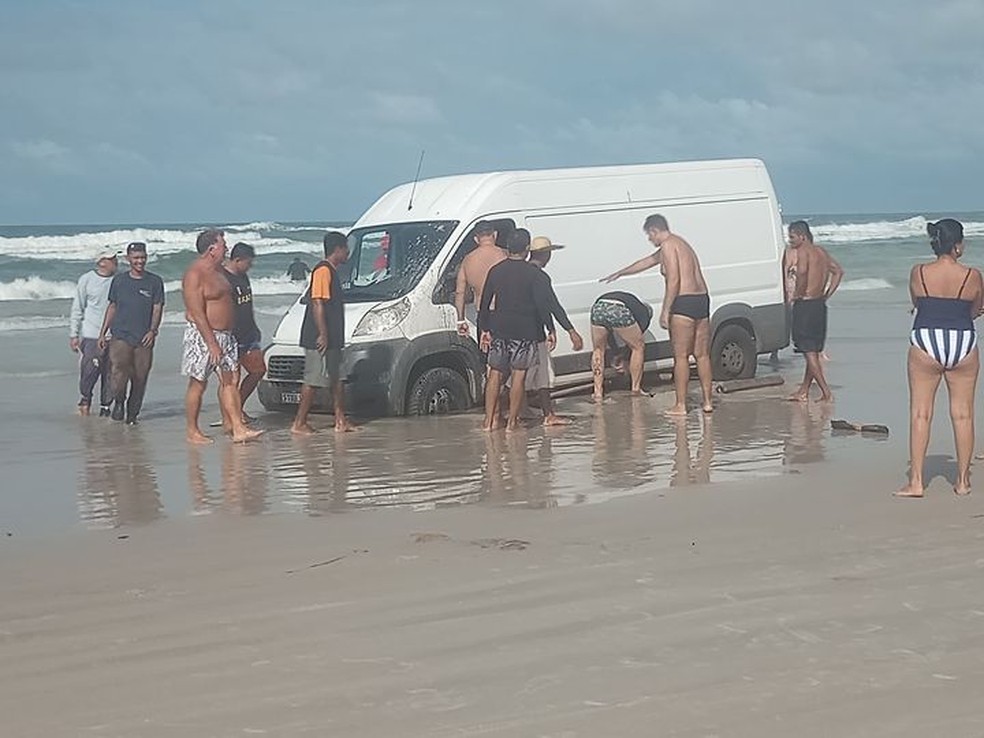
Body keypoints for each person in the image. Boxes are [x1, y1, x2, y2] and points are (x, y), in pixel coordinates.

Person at [898, 219, 982, 498]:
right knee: (963, 414)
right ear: (958, 246)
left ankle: (917, 482)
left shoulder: (918, 272)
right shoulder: (972, 275)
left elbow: (917, 304)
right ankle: (962, 482)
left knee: (921, 413)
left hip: (926, 342)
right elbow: (976, 309)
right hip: (962, 341)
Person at [181, 229, 262, 445]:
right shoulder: (195, 274)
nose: (226, 247)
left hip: (227, 336)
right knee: (198, 383)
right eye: (223, 244)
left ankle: (237, 428)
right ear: (211, 249)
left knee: (230, 381)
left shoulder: (221, 272)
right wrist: (212, 343)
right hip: (204, 336)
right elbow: (196, 312)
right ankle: (192, 430)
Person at [478, 228, 556, 431]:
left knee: (495, 373)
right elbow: (542, 304)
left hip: (499, 329)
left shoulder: (496, 271)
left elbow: (485, 303)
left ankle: (488, 422)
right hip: (525, 331)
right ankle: (512, 423)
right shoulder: (534, 274)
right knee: (518, 375)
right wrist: (551, 328)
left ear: (508, 248)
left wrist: (484, 329)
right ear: (527, 249)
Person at [647, 214, 714, 416]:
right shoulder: (682, 243)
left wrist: (665, 310)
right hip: (701, 299)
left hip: (683, 301)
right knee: (702, 355)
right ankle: (708, 402)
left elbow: (674, 279)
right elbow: (647, 261)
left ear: (654, 231)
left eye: (649, 236)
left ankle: (681, 405)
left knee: (681, 356)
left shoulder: (667, 246)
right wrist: (621, 273)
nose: (650, 240)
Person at [292, 231, 354, 435]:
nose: (348, 252)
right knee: (313, 379)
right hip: (319, 337)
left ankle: (340, 419)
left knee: (337, 378)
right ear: (337, 249)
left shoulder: (333, 271)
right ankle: (299, 423)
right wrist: (323, 334)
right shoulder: (323, 270)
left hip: (333, 336)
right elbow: (317, 302)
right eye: (346, 248)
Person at [98, 242, 164, 425]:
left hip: (144, 337)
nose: (140, 261)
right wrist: (103, 332)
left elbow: (157, 308)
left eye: (142, 257)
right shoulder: (119, 281)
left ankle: (132, 414)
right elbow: (112, 306)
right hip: (120, 335)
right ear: (128, 259)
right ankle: (119, 401)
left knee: (140, 376)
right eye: (135, 258)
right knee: (119, 372)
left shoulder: (155, 281)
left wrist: (153, 330)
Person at [521, 235, 583, 425]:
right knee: (543, 373)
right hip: (534, 331)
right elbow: (549, 304)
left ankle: (517, 410)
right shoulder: (540, 276)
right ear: (546, 255)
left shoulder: (519, 272)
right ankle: (548, 415)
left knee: (519, 373)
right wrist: (559, 329)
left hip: (514, 330)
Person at [784, 220, 844, 403]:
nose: (790, 241)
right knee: (814, 351)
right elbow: (838, 272)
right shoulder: (821, 252)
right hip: (819, 305)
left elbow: (802, 273)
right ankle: (804, 390)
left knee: (808, 351)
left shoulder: (803, 252)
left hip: (806, 305)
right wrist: (826, 294)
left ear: (802, 236)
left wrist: (797, 294)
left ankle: (826, 393)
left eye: (792, 237)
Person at [70, 251, 117, 416]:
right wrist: (74, 334)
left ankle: (106, 407)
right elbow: (78, 307)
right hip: (91, 335)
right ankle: (85, 400)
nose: (116, 261)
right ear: (102, 262)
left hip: (114, 335)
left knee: (111, 374)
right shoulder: (87, 280)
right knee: (89, 372)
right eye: (112, 259)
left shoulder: (118, 280)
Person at [223, 242, 265, 422]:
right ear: (238, 259)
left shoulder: (243, 277)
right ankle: (231, 416)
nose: (250, 266)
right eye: (248, 262)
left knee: (258, 370)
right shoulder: (223, 279)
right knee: (233, 380)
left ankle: (238, 407)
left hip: (249, 333)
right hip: (231, 336)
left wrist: (255, 327)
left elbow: (247, 305)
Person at [589, 291, 652, 401]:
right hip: (619, 308)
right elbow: (633, 345)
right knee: (638, 348)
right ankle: (636, 389)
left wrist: (616, 353)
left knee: (598, 349)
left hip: (599, 306)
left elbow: (609, 333)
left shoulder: (633, 302)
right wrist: (624, 358)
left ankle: (597, 392)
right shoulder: (644, 316)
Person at [455, 220, 505, 338]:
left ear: (476, 239)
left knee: (487, 354)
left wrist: (461, 320)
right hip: (506, 313)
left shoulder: (468, 260)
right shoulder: (504, 255)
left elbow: (459, 292)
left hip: (484, 317)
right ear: (495, 235)